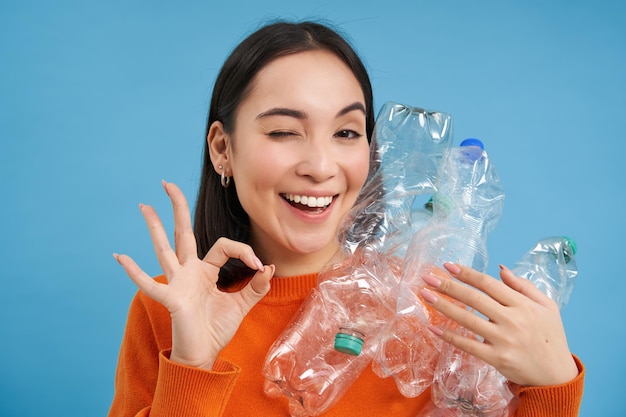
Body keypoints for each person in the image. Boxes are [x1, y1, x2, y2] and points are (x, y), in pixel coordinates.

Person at [109, 20, 584, 417]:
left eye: (346, 132)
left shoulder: (429, 312)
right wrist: (193, 365)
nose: (320, 166)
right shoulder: (171, 311)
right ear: (222, 149)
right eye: (283, 131)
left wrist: (551, 387)